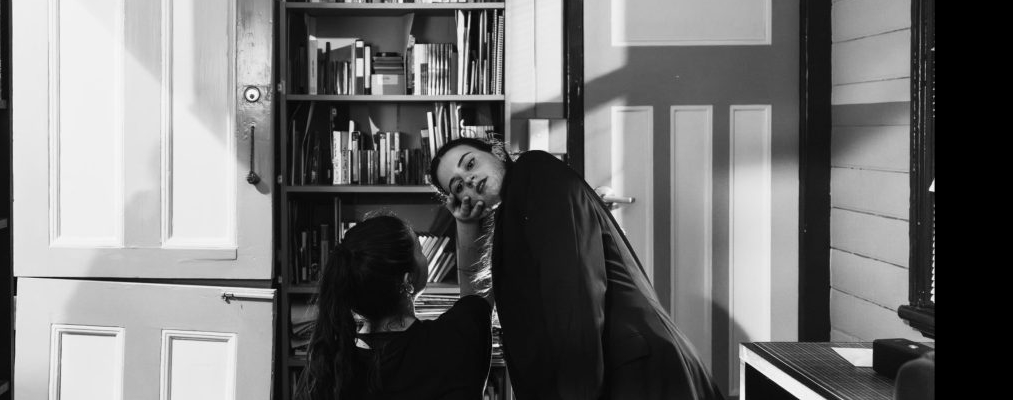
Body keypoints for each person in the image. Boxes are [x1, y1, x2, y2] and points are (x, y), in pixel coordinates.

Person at [429, 137, 725, 400]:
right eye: (458, 186)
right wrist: (465, 224)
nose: (468, 180)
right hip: (612, 370)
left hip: (631, 370)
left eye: (470, 164)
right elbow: (474, 306)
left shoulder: (535, 172)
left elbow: (575, 293)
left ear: (495, 150)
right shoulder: (513, 214)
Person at [295, 213, 494, 400]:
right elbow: (476, 295)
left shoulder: (327, 367)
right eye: (420, 250)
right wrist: (467, 222)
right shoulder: (454, 342)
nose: (424, 256)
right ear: (407, 281)